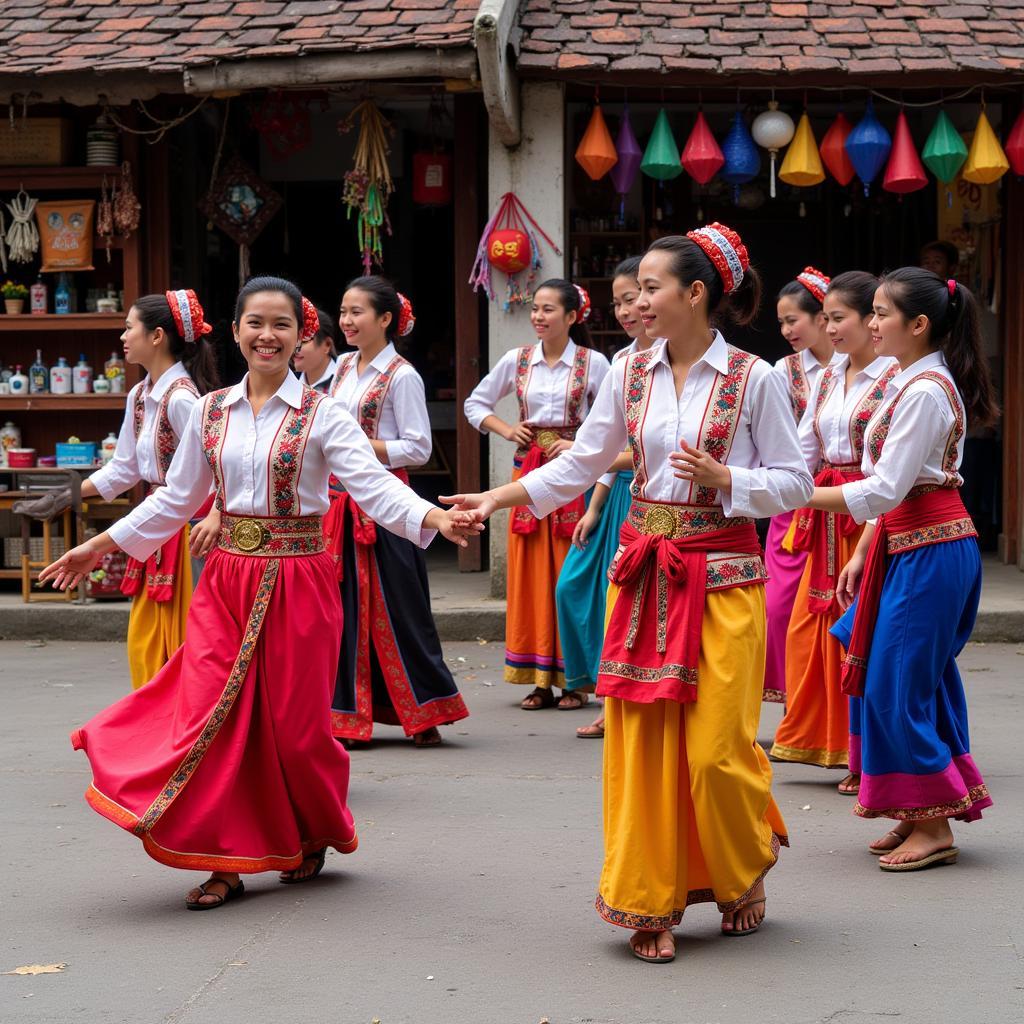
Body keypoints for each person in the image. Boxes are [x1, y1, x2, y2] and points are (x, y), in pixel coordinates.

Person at [42, 276, 480, 910]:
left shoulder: (322, 413)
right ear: (238, 329)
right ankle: (224, 857)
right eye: (255, 323)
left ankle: (312, 830)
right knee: (209, 717)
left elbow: (373, 487)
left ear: (302, 335)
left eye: (281, 324)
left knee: (295, 730)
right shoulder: (211, 409)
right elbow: (176, 497)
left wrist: (434, 519)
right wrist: (100, 546)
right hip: (225, 580)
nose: (267, 336)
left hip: (301, 579)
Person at [444, 225, 813, 961]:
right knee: (642, 749)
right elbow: (582, 463)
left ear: (696, 293)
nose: (637, 301)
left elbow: (796, 482)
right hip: (645, 575)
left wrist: (728, 481)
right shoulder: (628, 372)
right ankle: (650, 899)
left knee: (717, 752)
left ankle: (744, 864)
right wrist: (498, 497)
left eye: (650, 287)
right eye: (636, 289)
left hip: (725, 579)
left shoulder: (756, 377)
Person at [808, 267, 997, 871]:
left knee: (898, 681)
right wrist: (865, 550)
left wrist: (787, 493)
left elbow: (886, 488)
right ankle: (916, 808)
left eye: (881, 313)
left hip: (930, 546)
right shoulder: (902, 380)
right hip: (908, 542)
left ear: (918, 325)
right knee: (896, 675)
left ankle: (934, 824)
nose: (870, 322)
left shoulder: (921, 392)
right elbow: (892, 494)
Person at [769, 272, 899, 795]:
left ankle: (864, 753)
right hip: (823, 514)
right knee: (808, 629)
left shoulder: (896, 377)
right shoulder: (827, 377)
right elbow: (804, 451)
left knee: (860, 635)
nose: (829, 327)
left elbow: (891, 469)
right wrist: (769, 491)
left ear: (872, 320)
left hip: (870, 513)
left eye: (837, 317)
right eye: (825, 317)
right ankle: (821, 739)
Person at [326, 276, 468, 747]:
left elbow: (419, 448)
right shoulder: (342, 367)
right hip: (341, 507)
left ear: (385, 319)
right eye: (343, 312)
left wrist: (360, 446)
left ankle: (424, 711)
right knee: (345, 612)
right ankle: (350, 716)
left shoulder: (402, 375)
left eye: (357, 312)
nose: (346, 321)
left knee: (401, 608)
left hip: (387, 505)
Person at [464, 280, 611, 709]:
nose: (539, 317)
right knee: (529, 573)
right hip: (526, 468)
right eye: (536, 309)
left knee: (570, 574)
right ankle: (539, 678)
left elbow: (612, 418)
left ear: (571, 317)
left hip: (571, 472)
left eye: (549, 309)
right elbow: (476, 403)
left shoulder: (593, 363)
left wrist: (580, 440)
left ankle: (575, 680)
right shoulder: (518, 360)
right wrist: (508, 429)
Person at [79, 290, 220, 690]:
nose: (123, 336)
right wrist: (73, 493)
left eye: (129, 327)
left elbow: (214, 469)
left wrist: (213, 514)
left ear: (157, 336)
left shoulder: (183, 400)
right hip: (158, 523)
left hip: (191, 527)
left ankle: (184, 731)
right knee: (145, 639)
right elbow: (125, 467)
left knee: (184, 638)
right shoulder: (140, 395)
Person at [553, 258, 655, 738]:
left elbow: (629, 453)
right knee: (579, 587)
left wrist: (587, 455)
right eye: (617, 302)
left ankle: (618, 702)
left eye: (634, 296)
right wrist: (592, 509)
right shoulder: (624, 363)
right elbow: (609, 448)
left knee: (629, 606)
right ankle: (604, 691)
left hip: (653, 503)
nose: (627, 309)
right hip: (617, 498)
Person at [763, 268, 836, 704]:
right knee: (779, 605)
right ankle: (795, 699)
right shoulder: (781, 372)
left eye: (794, 320)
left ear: (823, 317)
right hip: (795, 500)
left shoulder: (863, 367)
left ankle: (825, 707)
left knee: (832, 607)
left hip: (844, 497)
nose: (787, 330)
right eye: (782, 323)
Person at [292, 306, 338, 393]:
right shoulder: (287, 384)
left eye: (304, 340)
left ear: (327, 344)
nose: (295, 348)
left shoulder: (347, 379)